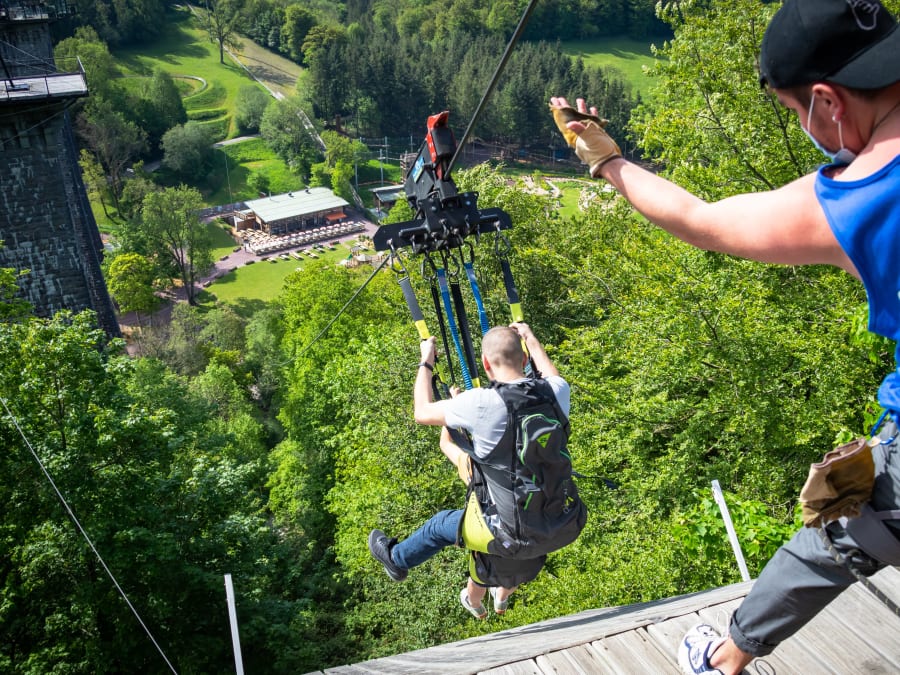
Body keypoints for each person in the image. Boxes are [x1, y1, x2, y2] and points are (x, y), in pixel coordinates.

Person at [549, 0, 900, 673]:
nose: (804, 128)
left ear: (827, 100)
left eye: (796, 113)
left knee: (843, 524)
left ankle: (721, 658)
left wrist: (606, 160)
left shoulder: (861, 198)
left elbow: (702, 220)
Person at [368, 322, 571, 619]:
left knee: (440, 525)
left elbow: (421, 412)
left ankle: (396, 560)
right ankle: (496, 594)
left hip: (513, 533)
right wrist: (530, 337)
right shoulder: (556, 392)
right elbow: (551, 374)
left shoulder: (481, 403)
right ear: (526, 358)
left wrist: (426, 360)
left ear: (486, 363)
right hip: (560, 523)